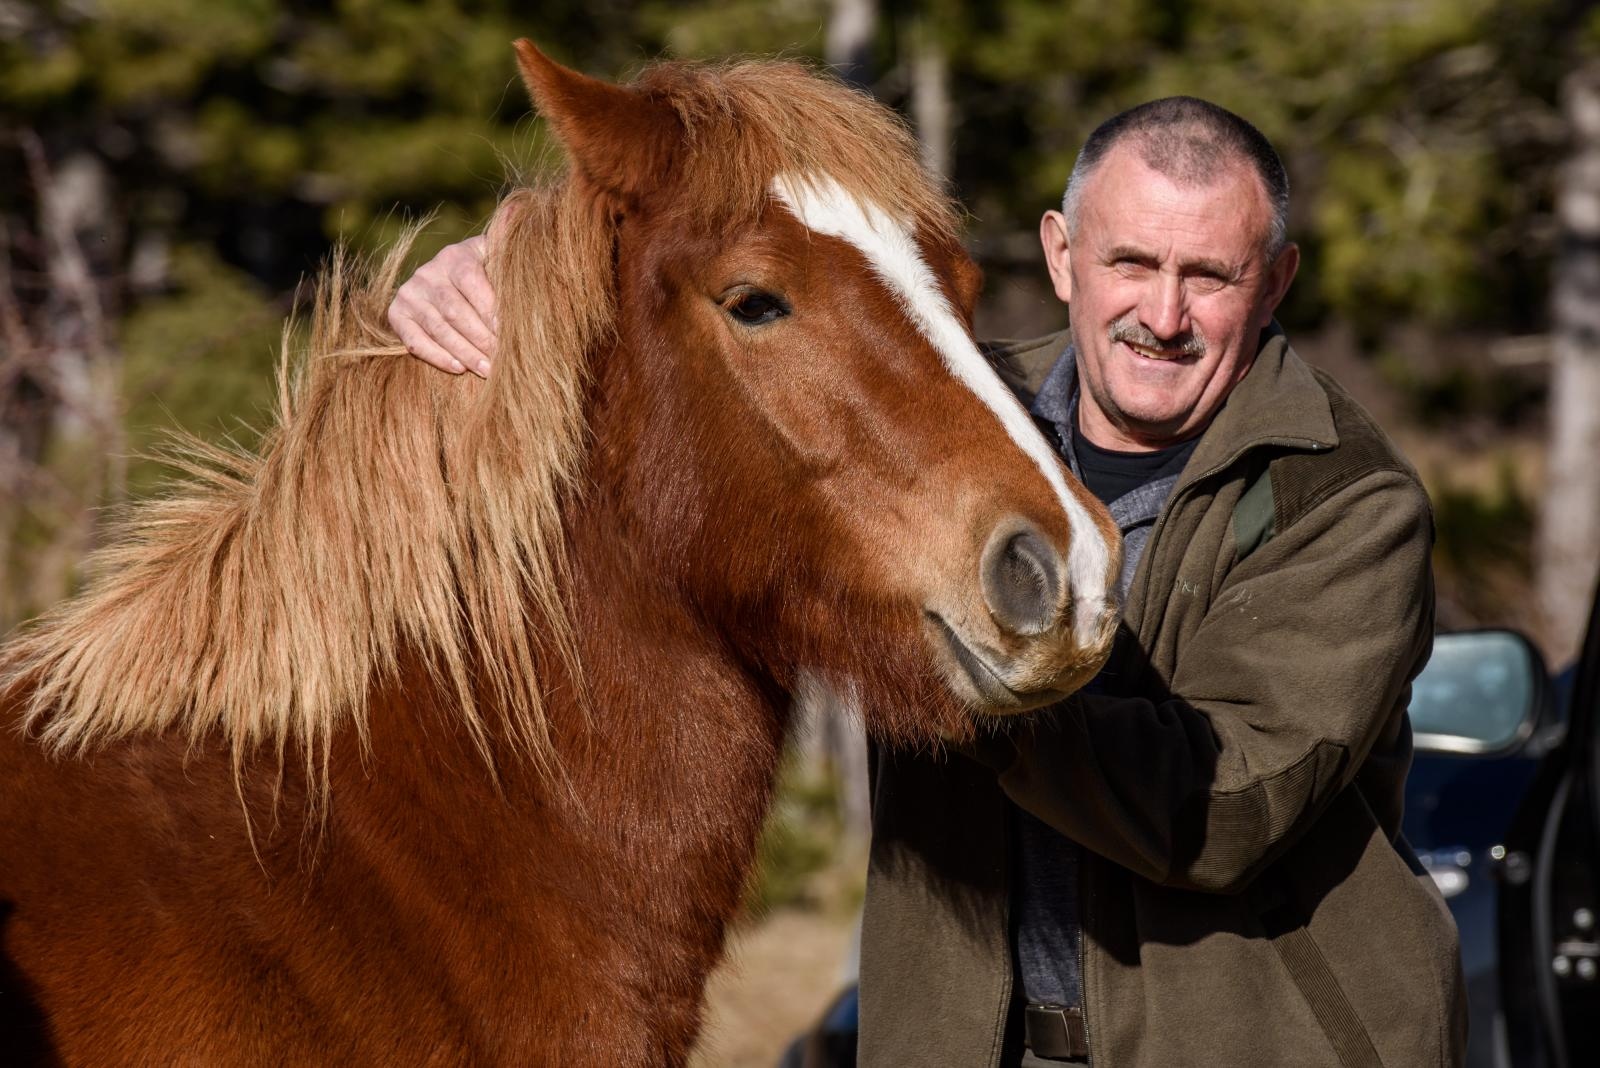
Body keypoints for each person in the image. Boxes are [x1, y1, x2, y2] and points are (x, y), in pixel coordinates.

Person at [389, 97, 1465, 1067]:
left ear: (1273, 282)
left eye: (1211, 277)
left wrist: (955, 651)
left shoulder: (1341, 499)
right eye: (1131, 263)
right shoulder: (948, 412)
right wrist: (498, 262)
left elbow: (1219, 811)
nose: (1163, 316)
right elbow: (725, 366)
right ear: (1061, 254)